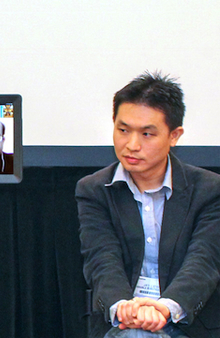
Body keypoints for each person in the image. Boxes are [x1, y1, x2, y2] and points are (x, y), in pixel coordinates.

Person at [76, 72, 220, 338]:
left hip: (187, 320)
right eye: (123, 130)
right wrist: (123, 307)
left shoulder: (210, 190)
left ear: (174, 135)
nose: (132, 145)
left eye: (147, 134)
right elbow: (101, 259)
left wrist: (165, 308)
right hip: (121, 320)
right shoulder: (94, 189)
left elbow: (204, 261)